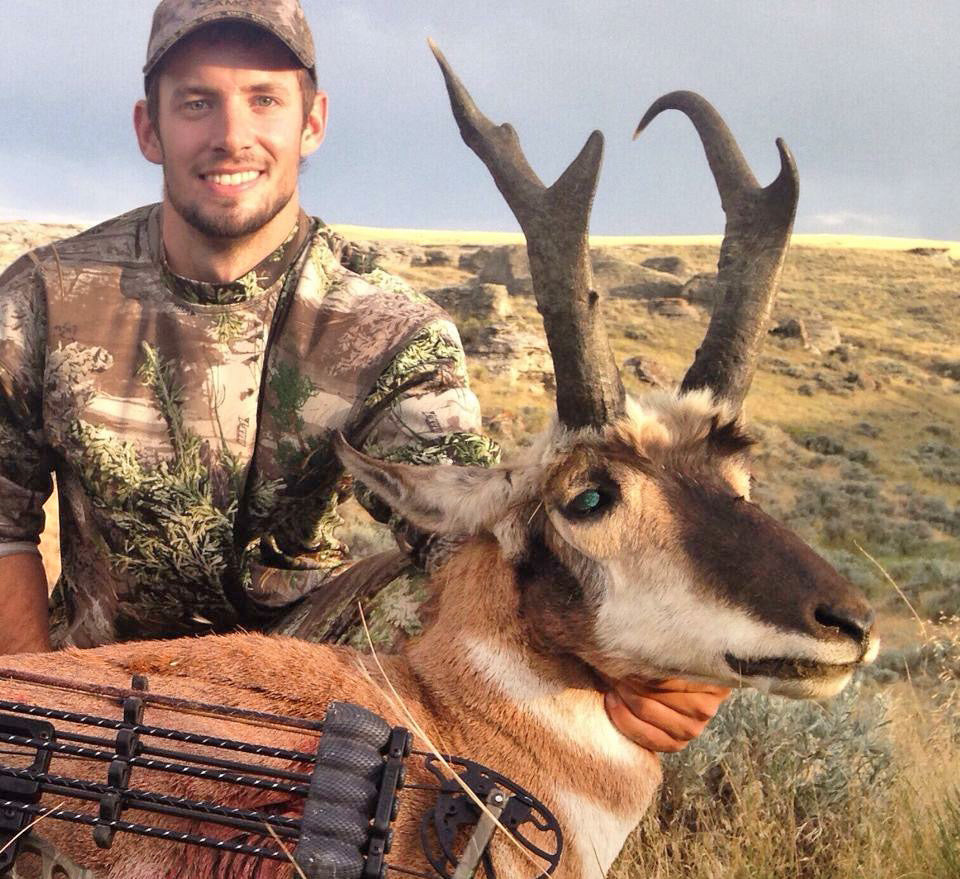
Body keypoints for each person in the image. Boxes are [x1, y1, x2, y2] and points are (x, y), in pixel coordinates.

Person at [0, 0, 728, 751]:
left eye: (264, 100)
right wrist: (35, 711)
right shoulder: (44, 299)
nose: (231, 136)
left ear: (312, 121)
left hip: (309, 684)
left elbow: (463, 530)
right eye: (196, 102)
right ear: (148, 128)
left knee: (445, 586)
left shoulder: (388, 329)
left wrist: (642, 664)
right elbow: (2, 524)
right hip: (96, 678)